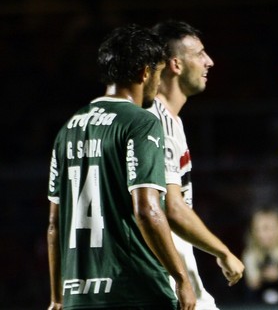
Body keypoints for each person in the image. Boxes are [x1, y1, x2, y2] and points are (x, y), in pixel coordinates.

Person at [46, 24, 196, 310]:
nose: (158, 82)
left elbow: (54, 225)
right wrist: (181, 278)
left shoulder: (68, 129)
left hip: (79, 296)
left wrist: (56, 298)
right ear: (144, 72)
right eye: (158, 73)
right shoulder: (141, 122)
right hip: (136, 291)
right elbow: (147, 209)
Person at [148, 20, 245, 309]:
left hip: (172, 264)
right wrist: (223, 252)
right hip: (163, 269)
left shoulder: (169, 120)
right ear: (175, 64)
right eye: (200, 54)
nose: (209, 62)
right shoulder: (156, 123)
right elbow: (172, 208)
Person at [242, 205, 278, 305]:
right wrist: (260, 280)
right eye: (258, 229)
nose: (263, 234)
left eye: (269, 228)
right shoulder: (250, 254)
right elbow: (250, 293)